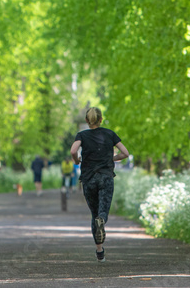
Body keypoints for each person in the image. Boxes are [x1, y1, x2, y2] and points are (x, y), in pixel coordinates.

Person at [70, 107, 129, 262]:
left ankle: (99, 250)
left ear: (87, 121)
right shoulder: (110, 134)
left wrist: (77, 161)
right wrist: (111, 158)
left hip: (89, 179)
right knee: (103, 212)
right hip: (106, 177)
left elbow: (73, 150)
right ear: (101, 119)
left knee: (94, 213)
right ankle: (102, 219)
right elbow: (125, 153)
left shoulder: (81, 135)